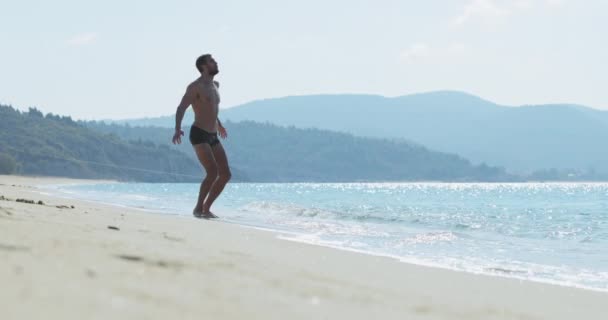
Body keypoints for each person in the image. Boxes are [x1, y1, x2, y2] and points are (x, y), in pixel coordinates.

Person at [172, 54, 231, 219]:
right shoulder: (195, 87)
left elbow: (212, 108)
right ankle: (198, 208)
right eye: (212, 61)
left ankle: (206, 207)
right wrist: (177, 128)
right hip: (199, 133)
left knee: (226, 174)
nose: (216, 62)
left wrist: (219, 124)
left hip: (213, 134)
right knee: (212, 172)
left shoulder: (216, 85)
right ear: (204, 66)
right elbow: (181, 107)